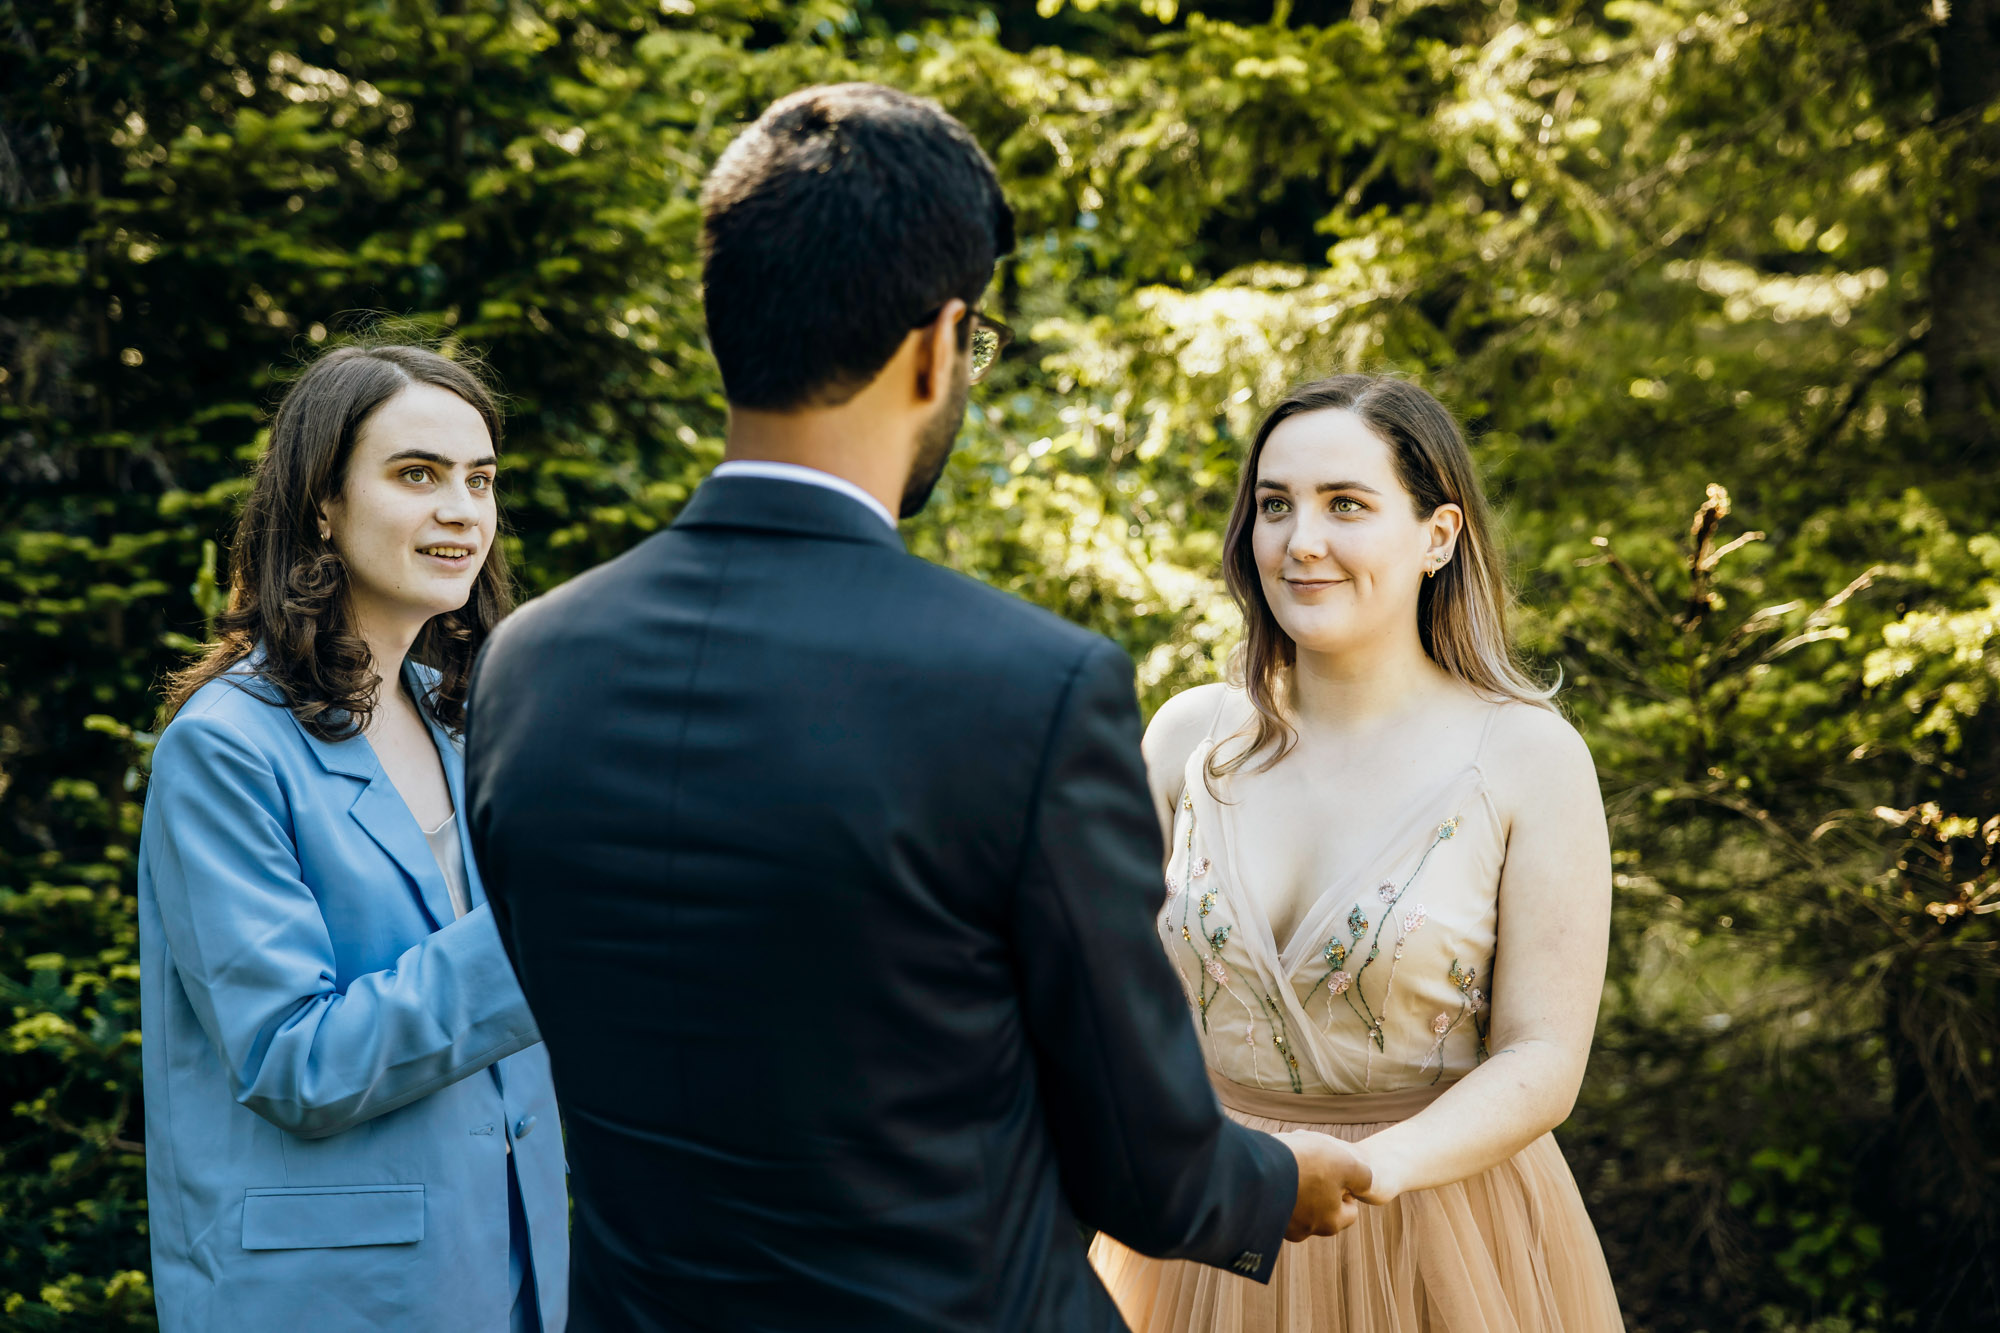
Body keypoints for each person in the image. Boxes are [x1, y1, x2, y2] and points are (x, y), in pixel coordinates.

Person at [463, 83, 1369, 1333]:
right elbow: (1141, 1157)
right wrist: (1275, 1185)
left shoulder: (529, 663)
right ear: (939, 346)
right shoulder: (1030, 690)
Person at [1088, 374, 1625, 1330]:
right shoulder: (1186, 740)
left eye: (1346, 504)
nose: (1301, 541)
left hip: (1441, 1236)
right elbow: (1106, 997)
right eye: (1273, 505)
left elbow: (1543, 1056)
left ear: (1439, 536)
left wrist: (1368, 1173)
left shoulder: (1528, 757)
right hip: (1206, 1233)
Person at [138, 344, 568, 1333]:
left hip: (515, 1268)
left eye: (480, 479)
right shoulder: (225, 747)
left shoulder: (466, 718)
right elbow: (293, 1057)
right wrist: (543, 928)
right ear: (320, 506)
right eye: (417, 474)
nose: (462, 508)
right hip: (329, 1296)